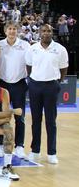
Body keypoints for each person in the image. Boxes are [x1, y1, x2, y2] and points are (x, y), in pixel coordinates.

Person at [25, 24, 68, 164]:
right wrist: (33, 80)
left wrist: (57, 82)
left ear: (52, 32)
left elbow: (63, 69)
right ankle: (35, 150)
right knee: (36, 120)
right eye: (43, 31)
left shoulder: (60, 49)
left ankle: (52, 153)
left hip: (51, 86)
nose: (46, 33)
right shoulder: (32, 49)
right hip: (35, 85)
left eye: (49, 31)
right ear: (39, 33)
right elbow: (29, 67)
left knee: (51, 121)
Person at [0, 22, 30, 159]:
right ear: (5, 31)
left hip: (19, 84)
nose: (12, 31)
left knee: (19, 117)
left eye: (14, 29)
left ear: (18, 31)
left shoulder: (25, 46)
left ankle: (20, 146)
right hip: (2, 84)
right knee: (0, 117)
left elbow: (30, 64)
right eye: (9, 29)